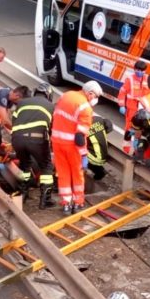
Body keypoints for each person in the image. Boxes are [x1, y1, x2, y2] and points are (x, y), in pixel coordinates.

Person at [52, 81, 101, 215]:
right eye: (96, 96)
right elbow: (80, 137)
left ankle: (66, 204)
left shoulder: (66, 95)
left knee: (63, 173)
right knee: (77, 174)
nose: (95, 100)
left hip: (57, 141)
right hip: (72, 146)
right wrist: (84, 155)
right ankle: (78, 202)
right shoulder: (85, 107)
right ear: (90, 93)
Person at [11, 83, 55, 208]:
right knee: (46, 167)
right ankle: (44, 200)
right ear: (48, 95)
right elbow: (53, 128)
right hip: (37, 139)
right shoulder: (51, 106)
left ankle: (23, 194)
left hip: (17, 139)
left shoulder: (21, 103)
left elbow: (14, 121)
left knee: (25, 165)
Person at [117, 60, 148, 154]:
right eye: (138, 70)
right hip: (132, 108)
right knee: (129, 129)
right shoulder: (129, 79)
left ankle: (136, 150)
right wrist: (122, 105)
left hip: (142, 109)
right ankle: (126, 149)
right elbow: (122, 92)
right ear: (134, 69)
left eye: (142, 70)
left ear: (145, 71)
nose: (140, 72)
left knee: (139, 131)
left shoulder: (147, 79)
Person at [86, 116, 113, 181]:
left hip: (95, 158)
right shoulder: (98, 119)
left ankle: (99, 172)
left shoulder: (81, 126)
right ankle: (99, 169)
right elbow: (108, 125)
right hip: (104, 154)